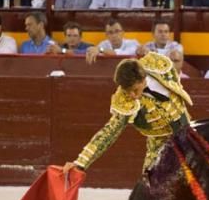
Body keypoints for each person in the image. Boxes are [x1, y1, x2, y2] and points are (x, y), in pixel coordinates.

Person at [62, 52, 192, 174]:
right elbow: (109, 132)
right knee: (151, 188)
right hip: (160, 146)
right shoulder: (124, 100)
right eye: (127, 91)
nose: (132, 96)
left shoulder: (159, 66)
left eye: (135, 90)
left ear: (143, 79)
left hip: (189, 136)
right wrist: (80, 163)